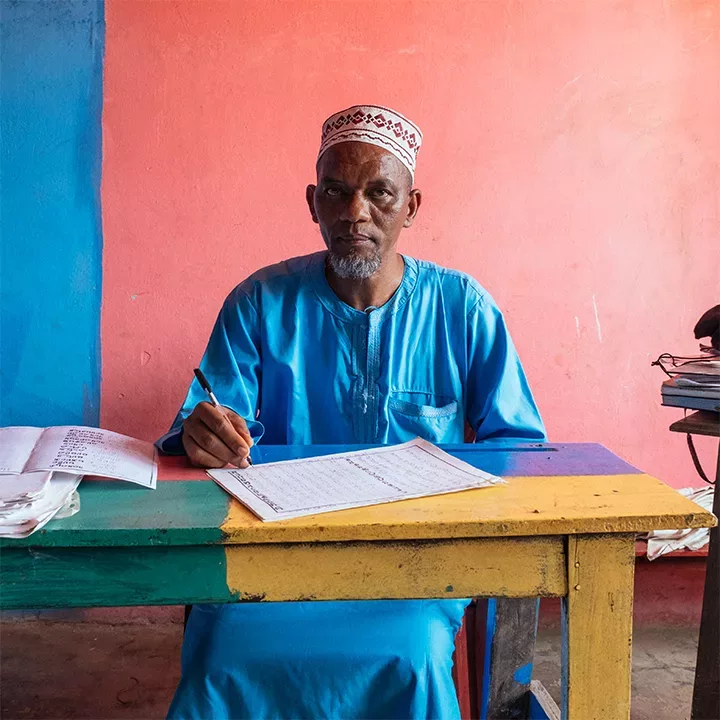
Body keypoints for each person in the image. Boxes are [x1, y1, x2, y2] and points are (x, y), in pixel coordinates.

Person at [158, 105, 546, 719]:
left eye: (379, 193)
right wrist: (199, 433)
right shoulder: (259, 302)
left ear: (412, 207)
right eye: (336, 192)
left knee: (411, 657)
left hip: (417, 562)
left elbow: (520, 448)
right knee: (223, 658)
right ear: (313, 203)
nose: (354, 213)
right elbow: (200, 426)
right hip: (274, 555)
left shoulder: (462, 307)